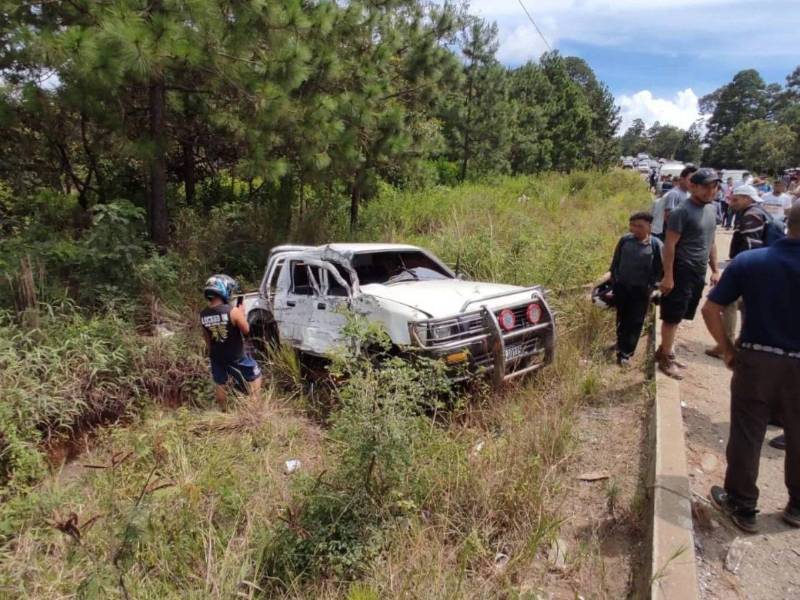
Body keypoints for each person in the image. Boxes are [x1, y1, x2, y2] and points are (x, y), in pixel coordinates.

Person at [700, 203, 800, 533]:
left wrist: (728, 349)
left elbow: (710, 308)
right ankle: (797, 506)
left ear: (787, 222)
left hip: (757, 359)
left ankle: (742, 505)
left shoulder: (752, 261)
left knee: (747, 433)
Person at [656, 168, 720, 379]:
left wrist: (715, 269)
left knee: (683, 313)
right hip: (681, 269)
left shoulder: (711, 210)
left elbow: (711, 241)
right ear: (693, 186)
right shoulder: (681, 212)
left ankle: (665, 350)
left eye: (714, 186)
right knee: (672, 316)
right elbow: (669, 246)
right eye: (705, 187)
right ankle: (666, 358)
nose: (711, 191)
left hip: (697, 270)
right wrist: (668, 276)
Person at [705, 185, 768, 359]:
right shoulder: (756, 213)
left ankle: (727, 345)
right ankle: (745, 343)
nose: (731, 203)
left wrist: (741, 269)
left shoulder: (751, 216)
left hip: (751, 269)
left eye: (735, 199)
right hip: (760, 268)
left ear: (747, 199)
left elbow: (751, 246)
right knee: (747, 305)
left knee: (729, 303)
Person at [607, 212, 663, 366]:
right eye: (633, 225)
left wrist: (655, 287)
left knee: (635, 320)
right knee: (621, 317)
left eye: (640, 226)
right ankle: (620, 343)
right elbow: (615, 261)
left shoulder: (656, 245)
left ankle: (626, 352)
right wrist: (614, 278)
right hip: (622, 287)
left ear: (649, 227)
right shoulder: (625, 240)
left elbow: (661, 268)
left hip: (642, 290)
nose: (635, 229)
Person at [200, 274, 262, 410]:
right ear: (224, 290)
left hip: (216, 355)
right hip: (235, 355)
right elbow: (246, 330)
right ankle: (254, 409)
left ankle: (224, 411)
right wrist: (242, 313)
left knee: (220, 382)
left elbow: (207, 338)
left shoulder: (203, 314)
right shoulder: (232, 311)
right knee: (255, 375)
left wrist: (211, 353)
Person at [652, 166, 697, 241]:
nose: (692, 183)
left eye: (695, 180)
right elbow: (668, 217)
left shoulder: (688, 194)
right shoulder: (674, 194)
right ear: (681, 179)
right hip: (666, 234)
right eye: (690, 180)